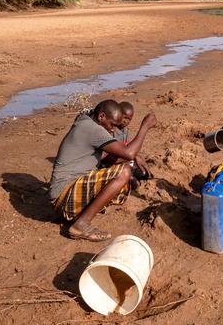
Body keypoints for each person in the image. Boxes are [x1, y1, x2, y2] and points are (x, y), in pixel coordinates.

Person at [49, 99, 157, 241]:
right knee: (123, 172)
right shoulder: (91, 129)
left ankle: (79, 215)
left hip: (66, 193)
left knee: (125, 174)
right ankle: (80, 225)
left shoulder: (87, 123)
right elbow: (128, 153)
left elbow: (109, 158)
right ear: (101, 117)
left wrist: (133, 157)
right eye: (112, 124)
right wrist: (145, 127)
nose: (112, 129)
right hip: (64, 196)